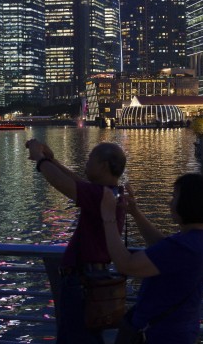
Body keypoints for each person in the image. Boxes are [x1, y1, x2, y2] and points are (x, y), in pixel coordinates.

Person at [26, 139, 127, 344]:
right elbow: (78, 185)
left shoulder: (101, 195)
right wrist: (51, 160)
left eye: (91, 159)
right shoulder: (111, 193)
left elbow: (63, 184)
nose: (86, 163)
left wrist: (39, 159)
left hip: (82, 282)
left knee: (76, 338)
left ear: (104, 165)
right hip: (92, 279)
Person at [100, 173, 203, 344]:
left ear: (188, 203)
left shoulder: (184, 246)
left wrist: (108, 217)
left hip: (161, 334)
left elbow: (126, 265)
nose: (170, 203)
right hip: (180, 330)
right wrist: (135, 212)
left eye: (175, 196)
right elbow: (161, 248)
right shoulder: (201, 237)